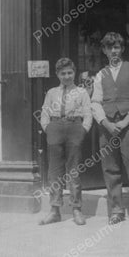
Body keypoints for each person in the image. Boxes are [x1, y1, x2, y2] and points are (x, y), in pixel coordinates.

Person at [91, 32, 129, 228]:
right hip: (108, 128)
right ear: (104, 51)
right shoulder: (100, 75)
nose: (114, 51)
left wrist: (126, 120)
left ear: (122, 49)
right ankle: (116, 211)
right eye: (110, 48)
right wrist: (105, 123)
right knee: (111, 170)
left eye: (117, 47)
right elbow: (95, 102)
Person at [39, 58, 92, 226]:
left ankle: (76, 209)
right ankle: (55, 210)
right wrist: (48, 128)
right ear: (57, 75)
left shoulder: (82, 92)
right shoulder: (51, 92)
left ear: (74, 73)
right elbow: (44, 113)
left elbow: (88, 114)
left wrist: (83, 130)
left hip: (74, 128)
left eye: (70, 73)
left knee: (74, 170)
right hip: (55, 128)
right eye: (63, 73)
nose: (67, 76)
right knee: (54, 172)